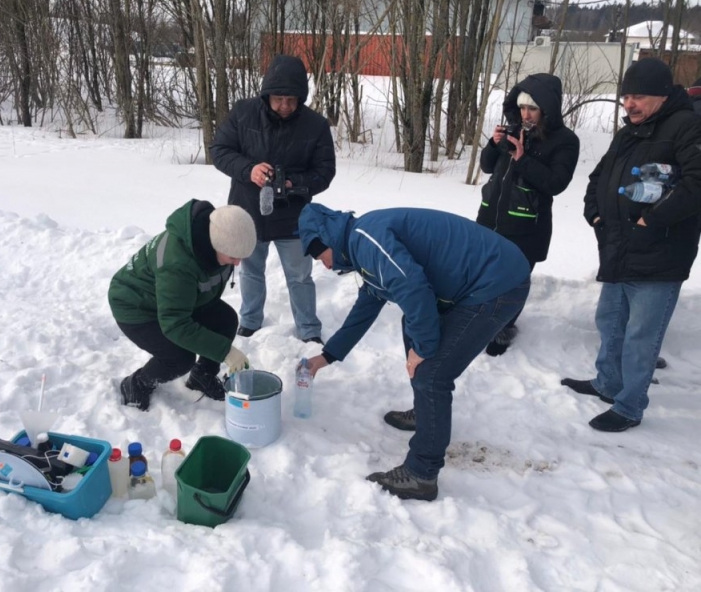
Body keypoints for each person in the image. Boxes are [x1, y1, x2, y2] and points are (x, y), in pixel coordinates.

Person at [298, 203, 532, 500]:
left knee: (433, 374)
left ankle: (421, 474)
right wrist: (326, 356)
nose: (326, 266)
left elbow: (414, 288)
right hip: (483, 277)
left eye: (321, 256)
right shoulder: (361, 245)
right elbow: (365, 309)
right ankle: (426, 414)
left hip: (496, 283)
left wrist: (422, 350)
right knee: (414, 325)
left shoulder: (366, 240)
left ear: (327, 240)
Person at [561, 57, 701, 432]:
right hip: (620, 246)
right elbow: (600, 175)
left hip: (660, 253)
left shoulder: (686, 126)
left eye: (637, 97)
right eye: (625, 97)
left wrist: (649, 219)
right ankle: (607, 383)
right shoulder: (628, 132)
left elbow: (696, 183)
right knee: (610, 320)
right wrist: (595, 212)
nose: (629, 105)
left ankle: (629, 405)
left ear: (661, 95)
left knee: (642, 335)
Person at [211, 54, 336, 344]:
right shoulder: (243, 113)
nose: (284, 106)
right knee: (251, 271)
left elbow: (325, 171)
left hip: (293, 216)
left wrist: (296, 183)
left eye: (292, 100)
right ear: (267, 94)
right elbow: (219, 150)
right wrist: (249, 170)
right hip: (248, 212)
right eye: (279, 99)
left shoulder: (315, 125)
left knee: (300, 276)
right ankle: (250, 321)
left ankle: (309, 329)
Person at [108, 200, 256, 411]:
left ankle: (202, 375)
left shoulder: (216, 241)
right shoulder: (178, 264)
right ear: (216, 245)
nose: (237, 263)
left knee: (225, 320)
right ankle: (138, 382)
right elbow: (175, 324)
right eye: (233, 257)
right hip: (136, 305)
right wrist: (225, 352)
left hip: (177, 298)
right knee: (179, 358)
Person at [477, 73, 580, 356]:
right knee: (484, 273)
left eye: (532, 108)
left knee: (514, 278)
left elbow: (555, 183)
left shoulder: (565, 141)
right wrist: (493, 143)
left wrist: (522, 159)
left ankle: (504, 327)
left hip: (527, 226)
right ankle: (480, 318)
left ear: (547, 109)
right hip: (491, 217)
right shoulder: (513, 129)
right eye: (522, 108)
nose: (525, 114)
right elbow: (487, 167)